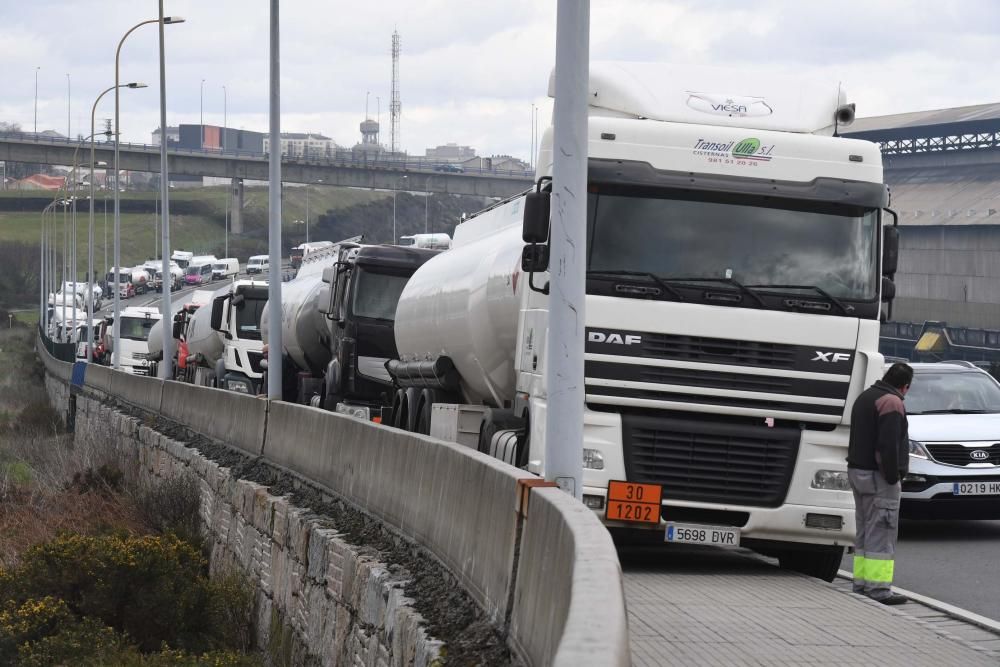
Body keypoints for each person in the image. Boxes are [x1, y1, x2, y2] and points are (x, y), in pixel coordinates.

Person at [847, 362, 913, 605]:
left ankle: (861, 583)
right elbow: (888, 445)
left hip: (857, 472)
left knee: (865, 530)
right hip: (879, 477)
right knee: (882, 531)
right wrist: (893, 476)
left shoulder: (865, 397)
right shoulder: (891, 402)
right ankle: (879, 589)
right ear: (905, 386)